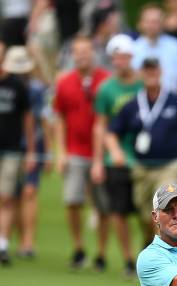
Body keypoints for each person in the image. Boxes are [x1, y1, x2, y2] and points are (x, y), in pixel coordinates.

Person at [106, 58, 177, 247]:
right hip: (141, 166)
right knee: (145, 212)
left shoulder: (176, 101)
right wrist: (116, 152)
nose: (151, 74)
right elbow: (112, 133)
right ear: (141, 73)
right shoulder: (133, 104)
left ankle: (161, 255)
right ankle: (150, 239)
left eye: (154, 70)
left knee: (163, 206)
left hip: (170, 165)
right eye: (147, 70)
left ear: (160, 72)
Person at [53, 35, 110, 269]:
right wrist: (60, 152)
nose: (82, 56)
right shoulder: (64, 82)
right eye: (77, 52)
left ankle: (101, 252)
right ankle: (78, 248)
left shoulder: (105, 80)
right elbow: (59, 118)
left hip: (101, 152)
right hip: (74, 150)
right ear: (72, 55)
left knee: (103, 204)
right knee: (73, 200)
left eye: (86, 51)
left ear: (93, 53)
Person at [92, 34, 142, 276]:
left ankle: (147, 252)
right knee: (118, 212)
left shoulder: (143, 85)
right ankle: (129, 260)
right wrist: (98, 161)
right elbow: (100, 126)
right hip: (117, 158)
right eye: (117, 57)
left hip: (145, 158)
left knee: (147, 211)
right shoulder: (106, 89)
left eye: (125, 56)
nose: (121, 61)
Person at [12, 47, 53, 258]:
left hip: (33, 146)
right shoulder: (7, 86)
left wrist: (47, 153)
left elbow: (45, 122)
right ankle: (19, 239)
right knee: (14, 193)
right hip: (10, 146)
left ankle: (28, 241)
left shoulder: (36, 89)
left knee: (29, 192)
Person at [0, 44, 35, 265]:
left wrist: (31, 150)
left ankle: (2, 244)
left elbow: (28, 119)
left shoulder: (16, 86)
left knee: (6, 197)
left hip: (11, 150)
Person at [131, 4, 177, 93]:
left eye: (155, 22)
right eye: (148, 22)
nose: (152, 26)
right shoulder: (133, 49)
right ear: (140, 24)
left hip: (174, 104)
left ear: (163, 23)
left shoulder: (176, 46)